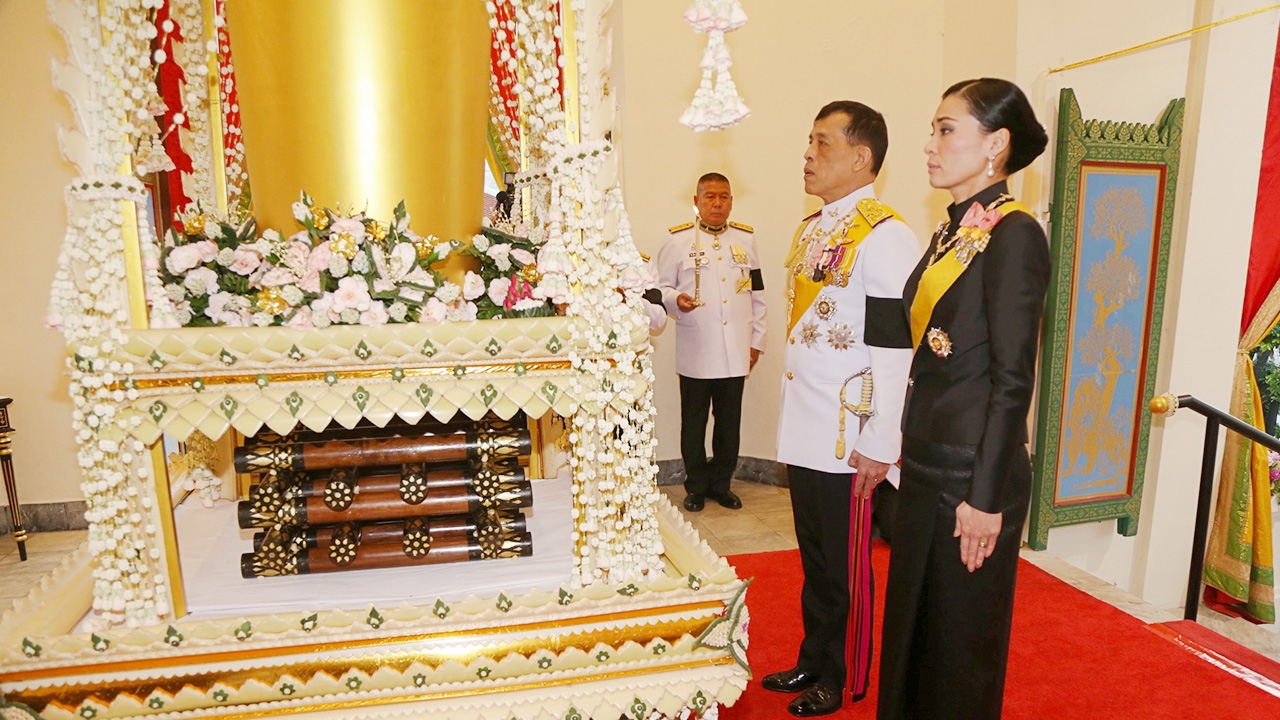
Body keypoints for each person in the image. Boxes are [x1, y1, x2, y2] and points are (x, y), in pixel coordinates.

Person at [876, 78, 1050, 720]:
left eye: (947, 129)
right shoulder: (953, 231)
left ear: (995, 144)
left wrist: (986, 497)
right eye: (934, 128)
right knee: (913, 637)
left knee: (956, 651)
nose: (929, 144)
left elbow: (1013, 379)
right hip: (926, 463)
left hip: (971, 475)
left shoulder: (1014, 234)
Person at [762, 101, 920, 717]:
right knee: (816, 559)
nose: (808, 153)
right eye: (809, 141)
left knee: (849, 568)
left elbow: (894, 350)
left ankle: (846, 672)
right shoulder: (814, 229)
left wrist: (881, 442)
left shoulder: (884, 235)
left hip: (848, 435)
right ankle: (813, 654)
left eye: (823, 144)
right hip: (807, 424)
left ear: (862, 158)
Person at [656, 173, 766, 512]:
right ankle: (696, 486)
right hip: (697, 349)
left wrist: (756, 341)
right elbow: (657, 290)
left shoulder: (746, 240)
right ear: (697, 200)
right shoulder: (677, 242)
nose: (717, 203)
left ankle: (722, 484)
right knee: (694, 421)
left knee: (729, 423)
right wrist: (677, 300)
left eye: (723, 197)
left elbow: (757, 294)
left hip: (736, 349)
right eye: (710, 197)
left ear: (731, 201)